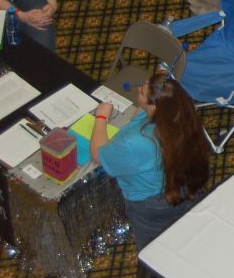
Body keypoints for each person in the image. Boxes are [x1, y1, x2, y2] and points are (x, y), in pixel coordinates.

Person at [90, 74, 210, 252]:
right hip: (188, 185)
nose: (138, 89)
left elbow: (98, 154)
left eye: (141, 92)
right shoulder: (182, 113)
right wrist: (145, 104)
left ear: (154, 106)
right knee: (187, 233)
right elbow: (140, 114)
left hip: (153, 204)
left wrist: (101, 117)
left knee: (153, 251)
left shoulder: (136, 141)